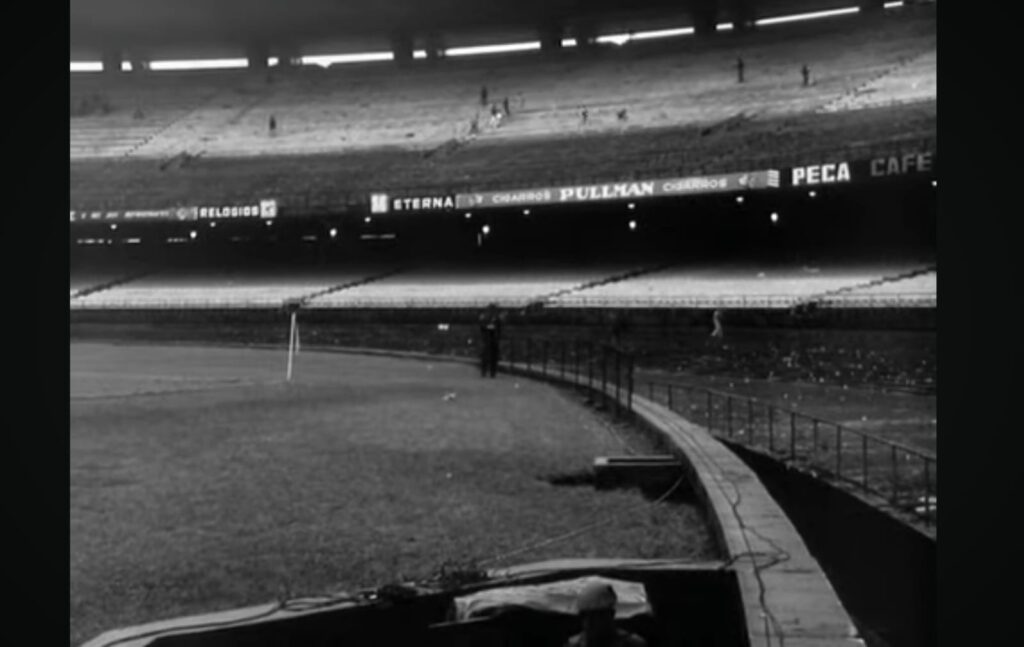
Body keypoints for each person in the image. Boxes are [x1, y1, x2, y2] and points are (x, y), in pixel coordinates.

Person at [563, 581, 647, 647]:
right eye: (585, 616)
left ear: (610, 615)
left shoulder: (632, 643)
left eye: (597, 616)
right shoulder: (574, 644)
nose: (589, 622)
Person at [478, 303, 502, 378]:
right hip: (487, 338)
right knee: (486, 356)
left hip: (492, 339)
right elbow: (482, 327)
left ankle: (491, 372)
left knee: (492, 356)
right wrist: (489, 327)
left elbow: (499, 327)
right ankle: (486, 372)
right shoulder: (485, 317)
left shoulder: (496, 317)